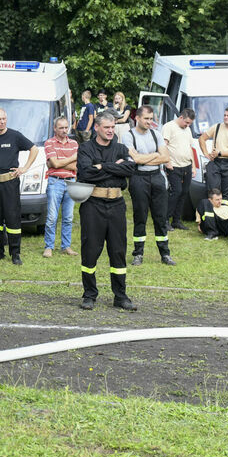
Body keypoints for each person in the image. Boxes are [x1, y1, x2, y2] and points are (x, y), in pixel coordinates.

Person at [76, 113, 139, 311]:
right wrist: (114, 168)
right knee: (90, 250)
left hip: (117, 204)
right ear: (97, 128)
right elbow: (86, 173)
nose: (111, 130)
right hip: (93, 204)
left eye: (113, 127)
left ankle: (120, 296)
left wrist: (102, 167)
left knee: (118, 251)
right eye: (107, 127)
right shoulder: (85, 148)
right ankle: (89, 295)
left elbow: (129, 169)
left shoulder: (120, 148)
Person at [0, 108, 38, 265]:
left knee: (13, 219)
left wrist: (24, 168)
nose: (2, 121)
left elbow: (34, 149)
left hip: (10, 183)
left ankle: (15, 253)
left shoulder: (15, 135)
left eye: (4, 118)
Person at [122, 105, 175, 266]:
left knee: (160, 217)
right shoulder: (128, 136)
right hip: (138, 178)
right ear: (137, 118)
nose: (149, 122)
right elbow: (136, 159)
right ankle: (138, 253)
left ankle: (165, 254)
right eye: (146, 118)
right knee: (140, 217)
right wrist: (155, 155)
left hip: (157, 177)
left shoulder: (156, 134)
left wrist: (146, 157)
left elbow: (166, 157)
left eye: (151, 119)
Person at [42, 116, 78, 258]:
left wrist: (57, 162)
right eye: (61, 128)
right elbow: (55, 165)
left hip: (71, 181)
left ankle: (66, 246)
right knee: (52, 217)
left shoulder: (74, 143)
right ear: (55, 128)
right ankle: (49, 246)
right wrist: (71, 158)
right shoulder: (49, 143)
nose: (64, 130)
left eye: (66, 127)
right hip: (55, 181)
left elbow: (77, 166)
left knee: (68, 217)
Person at [198, 106, 228, 206]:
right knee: (213, 192)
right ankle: (211, 218)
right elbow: (202, 139)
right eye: (224, 115)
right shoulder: (217, 127)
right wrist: (206, 153)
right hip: (215, 162)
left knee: (226, 197)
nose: (225, 117)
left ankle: (223, 217)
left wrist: (220, 153)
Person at [163, 109, 196, 230]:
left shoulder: (187, 129)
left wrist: (193, 166)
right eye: (186, 122)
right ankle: (165, 219)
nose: (187, 125)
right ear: (181, 117)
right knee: (175, 192)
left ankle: (176, 220)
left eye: (190, 124)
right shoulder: (169, 127)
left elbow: (189, 147)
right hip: (174, 166)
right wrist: (167, 162)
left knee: (184, 193)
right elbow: (163, 146)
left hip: (186, 165)